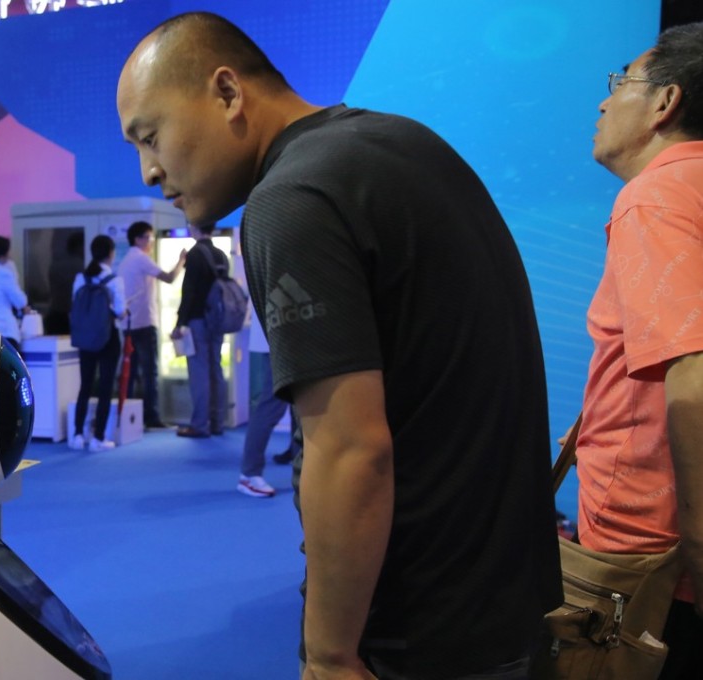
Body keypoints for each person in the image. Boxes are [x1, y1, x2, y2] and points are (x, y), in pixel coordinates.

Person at [117, 12, 561, 680]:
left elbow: (351, 446)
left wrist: (328, 655)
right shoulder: (403, 145)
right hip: (506, 605)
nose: (149, 171)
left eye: (150, 136)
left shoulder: (291, 197)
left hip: (423, 627)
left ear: (228, 93)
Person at [573, 23, 703, 679]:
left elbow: (695, 377)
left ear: (665, 102)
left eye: (619, 81)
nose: (603, 102)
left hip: (652, 558)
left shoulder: (656, 196)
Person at [117, 220, 186, 430]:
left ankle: (127, 416)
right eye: (149, 237)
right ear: (138, 239)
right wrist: (182, 260)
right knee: (149, 372)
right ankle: (151, 417)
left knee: (130, 372)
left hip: (129, 324)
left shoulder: (126, 260)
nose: (152, 242)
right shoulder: (141, 258)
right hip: (145, 322)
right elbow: (169, 277)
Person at [171, 223, 228, 439]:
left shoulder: (195, 254)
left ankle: (199, 425)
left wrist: (179, 323)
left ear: (194, 228)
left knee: (199, 373)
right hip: (217, 321)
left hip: (197, 321)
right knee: (216, 370)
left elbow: (189, 292)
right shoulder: (221, 255)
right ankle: (218, 422)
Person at [69, 235, 126, 453]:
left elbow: (76, 304)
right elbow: (120, 311)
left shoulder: (80, 278)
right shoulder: (114, 280)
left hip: (85, 338)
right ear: (111, 253)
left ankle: (77, 435)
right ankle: (98, 438)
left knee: (85, 386)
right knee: (105, 387)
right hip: (107, 337)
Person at [237, 303, 291, 498]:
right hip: (281, 331)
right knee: (272, 404)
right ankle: (249, 473)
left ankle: (305, 467)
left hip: (286, 331)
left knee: (299, 404)